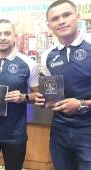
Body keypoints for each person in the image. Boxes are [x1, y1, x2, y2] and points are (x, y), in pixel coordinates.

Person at [0, 19, 39, 170]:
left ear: (15, 37)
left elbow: (37, 95)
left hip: (15, 134)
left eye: (7, 33)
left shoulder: (29, 64)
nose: (3, 37)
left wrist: (24, 97)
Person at [35, 0, 91, 169]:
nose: (61, 21)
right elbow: (53, 94)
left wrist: (82, 104)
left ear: (77, 16)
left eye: (66, 15)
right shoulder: (47, 56)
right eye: (55, 18)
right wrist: (44, 99)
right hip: (60, 130)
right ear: (49, 24)